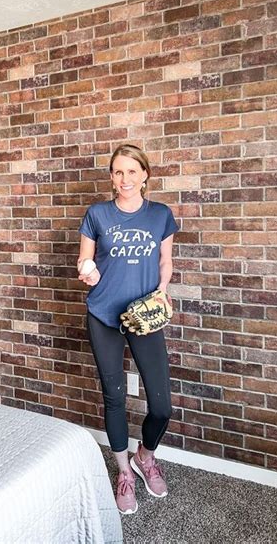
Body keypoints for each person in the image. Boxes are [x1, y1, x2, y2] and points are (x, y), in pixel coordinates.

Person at [77, 143, 178, 515]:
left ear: (145, 175)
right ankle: (124, 473)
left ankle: (144, 456)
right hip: (103, 313)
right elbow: (85, 259)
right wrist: (87, 271)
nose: (125, 179)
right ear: (112, 177)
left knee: (162, 405)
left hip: (143, 315)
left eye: (132, 171)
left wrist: (163, 292)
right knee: (115, 396)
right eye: (118, 172)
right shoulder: (97, 214)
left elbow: (165, 261)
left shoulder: (160, 215)